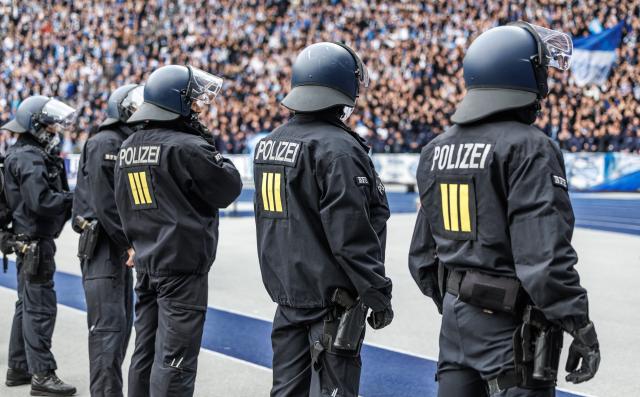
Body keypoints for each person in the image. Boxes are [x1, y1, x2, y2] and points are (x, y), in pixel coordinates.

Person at [408, 22, 600, 397]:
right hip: (513, 332)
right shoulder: (531, 147)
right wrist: (579, 324)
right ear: (522, 75)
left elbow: (421, 258)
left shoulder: (436, 150)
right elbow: (544, 259)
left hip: (455, 326)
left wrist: (457, 301)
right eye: (541, 68)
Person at [254, 42, 394, 397]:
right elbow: (351, 237)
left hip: (287, 298)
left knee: (286, 391)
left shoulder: (270, 143)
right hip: (331, 305)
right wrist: (377, 293)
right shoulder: (338, 149)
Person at [113, 65, 243, 397]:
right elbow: (228, 188)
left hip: (146, 261)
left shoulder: (128, 147)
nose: (199, 106)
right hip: (182, 267)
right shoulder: (187, 146)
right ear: (177, 103)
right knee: (176, 360)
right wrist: (203, 137)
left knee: (145, 350)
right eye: (194, 100)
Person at [71, 83, 144, 396]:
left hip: (113, 249)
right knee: (108, 333)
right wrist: (129, 243)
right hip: (104, 247)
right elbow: (106, 204)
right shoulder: (106, 142)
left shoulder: (122, 140)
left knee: (120, 330)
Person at [1, 96, 77, 395]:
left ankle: (18, 367)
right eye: (51, 122)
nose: (56, 128)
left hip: (25, 243)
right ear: (36, 125)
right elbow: (42, 202)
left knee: (27, 306)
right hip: (35, 245)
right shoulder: (30, 158)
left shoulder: (19, 154)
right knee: (40, 310)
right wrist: (78, 197)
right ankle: (42, 375)